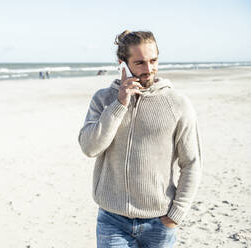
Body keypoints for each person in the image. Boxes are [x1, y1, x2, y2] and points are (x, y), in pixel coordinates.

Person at [78, 30, 202, 247]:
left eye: (153, 61)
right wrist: (119, 104)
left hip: (159, 222)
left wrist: (177, 213)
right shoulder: (103, 99)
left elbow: (191, 163)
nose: (149, 69)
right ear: (122, 63)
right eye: (140, 63)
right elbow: (90, 148)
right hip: (112, 220)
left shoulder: (178, 104)